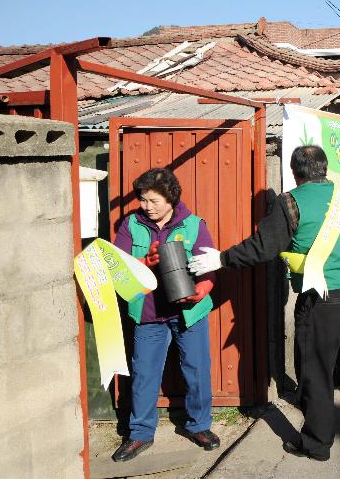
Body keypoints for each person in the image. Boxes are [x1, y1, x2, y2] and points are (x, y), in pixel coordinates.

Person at [189, 146, 340, 462]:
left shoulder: (290, 202)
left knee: (317, 370)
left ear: (294, 172)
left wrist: (221, 258)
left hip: (322, 297)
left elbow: (263, 247)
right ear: (325, 168)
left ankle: (317, 443)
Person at [111, 168, 219, 462]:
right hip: (147, 312)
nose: (147, 206)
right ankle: (140, 434)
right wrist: (146, 260)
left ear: (171, 198)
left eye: (153, 200)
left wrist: (203, 289)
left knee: (196, 370)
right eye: (143, 200)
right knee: (144, 374)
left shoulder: (194, 224)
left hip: (188, 312)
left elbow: (208, 266)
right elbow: (118, 266)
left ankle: (199, 426)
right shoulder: (130, 224)